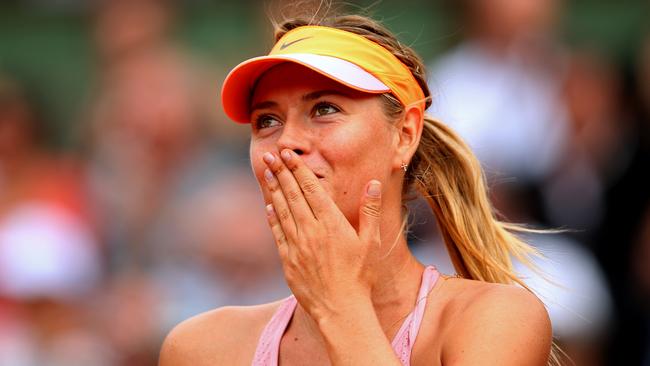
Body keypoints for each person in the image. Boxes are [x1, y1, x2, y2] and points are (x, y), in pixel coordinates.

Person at [159, 12, 555, 366]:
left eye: (325, 109)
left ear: (404, 134)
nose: (286, 142)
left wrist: (338, 303)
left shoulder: (497, 319)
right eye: (267, 120)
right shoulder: (199, 348)